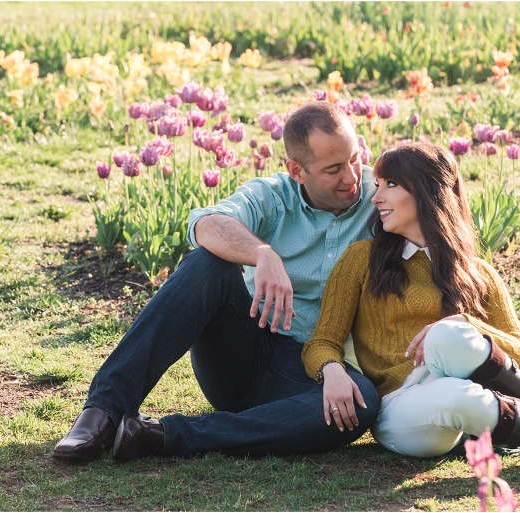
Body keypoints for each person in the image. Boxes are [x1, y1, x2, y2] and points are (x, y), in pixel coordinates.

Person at [52, 101, 381, 462]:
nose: (351, 177)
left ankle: (156, 437)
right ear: (296, 171)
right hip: (243, 354)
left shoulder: (379, 197)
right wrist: (263, 254)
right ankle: (103, 411)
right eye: (333, 169)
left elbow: (439, 222)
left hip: (314, 375)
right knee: (208, 264)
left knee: (360, 401)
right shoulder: (273, 196)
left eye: (354, 159)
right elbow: (205, 223)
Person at [301, 142, 520, 479]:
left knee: (450, 334)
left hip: (465, 393)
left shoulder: (476, 272)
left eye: (391, 185)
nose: (376, 198)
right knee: (452, 387)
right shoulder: (362, 259)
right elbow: (322, 342)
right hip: (401, 410)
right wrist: (332, 370)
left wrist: (469, 323)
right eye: (378, 186)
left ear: (426, 192)